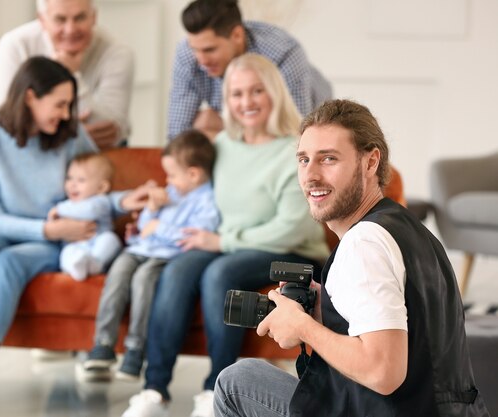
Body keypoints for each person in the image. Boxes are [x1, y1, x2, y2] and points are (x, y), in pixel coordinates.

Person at [214, 99, 490, 417]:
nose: (310, 176)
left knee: (235, 382)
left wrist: (303, 326)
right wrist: (328, 310)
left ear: (370, 162)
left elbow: (382, 372)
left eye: (328, 159)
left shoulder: (364, 244)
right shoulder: (410, 231)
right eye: (303, 160)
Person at [0, 56, 144, 417]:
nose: (66, 112)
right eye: (59, 103)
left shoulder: (70, 134)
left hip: (53, 244)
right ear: (29, 98)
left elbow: (95, 188)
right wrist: (45, 226)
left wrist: (124, 202)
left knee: (6, 264)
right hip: (16, 230)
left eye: (70, 104)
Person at [122, 53, 329, 417]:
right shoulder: (220, 147)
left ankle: (213, 388)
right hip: (225, 246)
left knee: (220, 272)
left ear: (274, 93)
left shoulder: (294, 149)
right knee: (179, 270)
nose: (246, 102)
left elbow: (293, 226)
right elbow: (190, 194)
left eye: (256, 91)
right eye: (236, 94)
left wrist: (222, 241)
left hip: (290, 252)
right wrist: (152, 217)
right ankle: (154, 390)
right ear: (226, 101)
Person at [82, 129, 221, 381]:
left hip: (166, 257)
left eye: (172, 175)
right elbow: (145, 228)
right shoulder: (172, 191)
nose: (167, 180)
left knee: (143, 280)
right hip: (139, 249)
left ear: (193, 174)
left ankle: (136, 348)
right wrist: (151, 211)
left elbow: (193, 237)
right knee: (118, 274)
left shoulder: (207, 202)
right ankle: (103, 343)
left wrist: (159, 227)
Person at [167, 0, 332, 141]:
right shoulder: (188, 54)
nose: (201, 60)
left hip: (309, 120)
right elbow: (177, 135)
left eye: (210, 50)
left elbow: (295, 134)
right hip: (242, 121)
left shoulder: (284, 53)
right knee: (202, 124)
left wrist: (219, 124)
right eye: (195, 49)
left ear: (237, 35)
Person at [0, 0, 134, 149]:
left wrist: (72, 75)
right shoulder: (15, 45)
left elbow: (110, 131)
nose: (70, 30)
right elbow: (5, 120)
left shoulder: (117, 54)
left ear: (94, 17)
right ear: (42, 20)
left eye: (80, 18)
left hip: (97, 156)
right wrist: (72, 135)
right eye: (60, 19)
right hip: (30, 149)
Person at [51, 153, 122, 281]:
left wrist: (60, 210)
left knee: (111, 239)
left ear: (101, 187)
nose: (72, 184)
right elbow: (54, 223)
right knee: (67, 252)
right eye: (69, 178)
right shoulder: (67, 203)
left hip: (97, 245)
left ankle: (95, 264)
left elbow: (89, 211)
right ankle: (76, 267)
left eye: (81, 180)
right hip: (76, 246)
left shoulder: (101, 201)